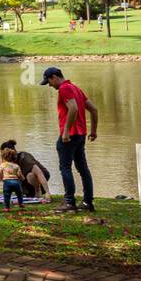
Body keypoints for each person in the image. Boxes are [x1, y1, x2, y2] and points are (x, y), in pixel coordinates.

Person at [41, 67, 98, 213]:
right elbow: (94, 109)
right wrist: (93, 131)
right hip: (81, 135)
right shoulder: (75, 88)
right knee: (83, 169)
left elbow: (73, 109)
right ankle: (87, 202)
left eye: (48, 81)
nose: (49, 85)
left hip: (69, 136)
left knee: (65, 167)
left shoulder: (65, 89)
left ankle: (69, 202)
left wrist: (66, 131)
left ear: (54, 77)